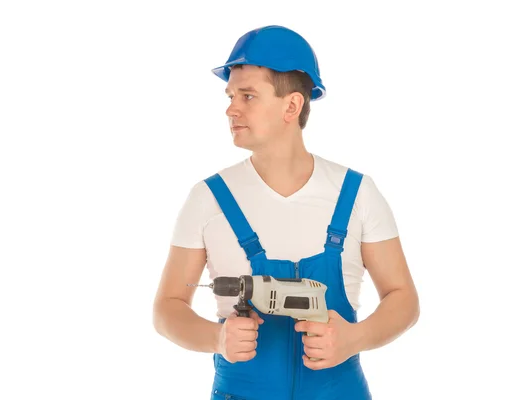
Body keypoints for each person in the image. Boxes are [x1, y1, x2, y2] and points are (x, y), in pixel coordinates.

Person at [153, 25, 420, 400]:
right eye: (230, 95)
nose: (231, 108)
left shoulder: (356, 193)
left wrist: (353, 338)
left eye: (247, 95)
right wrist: (218, 338)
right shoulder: (207, 199)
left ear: (292, 106)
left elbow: (403, 298)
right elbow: (167, 308)